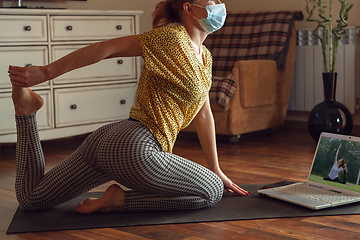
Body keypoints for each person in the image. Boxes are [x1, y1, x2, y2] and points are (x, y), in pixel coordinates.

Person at [8, 0, 250, 214]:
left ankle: (26, 112)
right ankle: (118, 200)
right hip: (136, 148)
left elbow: (204, 114)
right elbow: (105, 48)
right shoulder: (172, 38)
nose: (219, 4)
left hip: (110, 140)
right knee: (211, 190)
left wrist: (215, 167)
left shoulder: (204, 58)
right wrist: (45, 72)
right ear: (189, 8)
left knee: (32, 197)